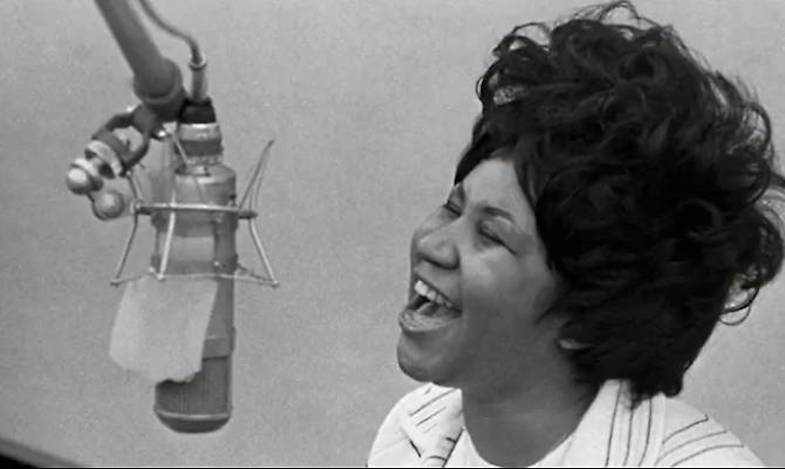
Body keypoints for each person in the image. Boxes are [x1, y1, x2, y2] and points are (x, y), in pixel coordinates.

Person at [367, 1, 785, 467]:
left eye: (491, 235)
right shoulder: (412, 434)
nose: (432, 245)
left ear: (584, 320)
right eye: (452, 208)